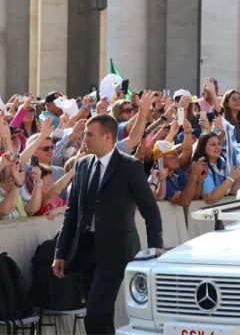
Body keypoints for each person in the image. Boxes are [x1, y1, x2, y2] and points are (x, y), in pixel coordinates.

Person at [52, 114, 164, 335]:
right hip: (86, 250)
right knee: (101, 315)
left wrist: (154, 248)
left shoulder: (129, 167)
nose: (85, 139)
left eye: (90, 134)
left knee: (95, 314)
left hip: (116, 251)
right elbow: (72, 213)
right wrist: (60, 253)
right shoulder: (82, 165)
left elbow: (151, 210)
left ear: (108, 137)